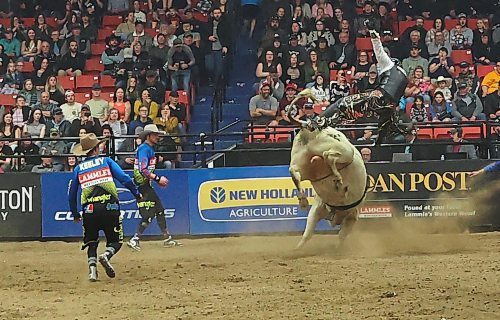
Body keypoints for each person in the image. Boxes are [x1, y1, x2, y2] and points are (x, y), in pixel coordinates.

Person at [317, 23, 410, 145]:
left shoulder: (388, 64)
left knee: (343, 102)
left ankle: (317, 120)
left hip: (379, 97)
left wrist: (373, 33)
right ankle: (378, 146)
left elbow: (379, 50)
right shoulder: (404, 77)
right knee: (384, 127)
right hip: (389, 106)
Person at [68, 133, 142, 281]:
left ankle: (92, 272)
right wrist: (136, 193)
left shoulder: (78, 168)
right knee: (115, 241)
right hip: (110, 207)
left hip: (89, 210)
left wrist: (75, 213)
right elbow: (124, 178)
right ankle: (106, 255)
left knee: (92, 242)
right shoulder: (106, 161)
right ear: (96, 149)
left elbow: (72, 194)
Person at [127, 124, 181, 251]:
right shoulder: (144, 149)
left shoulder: (147, 149)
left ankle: (167, 238)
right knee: (149, 214)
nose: (158, 137)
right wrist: (157, 179)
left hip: (145, 185)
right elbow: (143, 169)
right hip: (142, 186)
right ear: (149, 136)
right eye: (155, 135)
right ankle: (135, 239)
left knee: (159, 210)